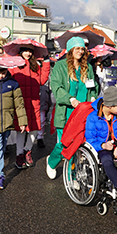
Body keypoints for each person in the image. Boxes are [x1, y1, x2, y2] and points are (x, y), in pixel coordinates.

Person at [46, 37, 99, 179]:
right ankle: (52, 161)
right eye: (77, 48)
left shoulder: (87, 67)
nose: (81, 51)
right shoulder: (60, 66)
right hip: (66, 111)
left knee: (78, 146)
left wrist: (93, 96)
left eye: (82, 49)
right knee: (65, 144)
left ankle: (73, 177)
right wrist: (71, 99)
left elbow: (93, 86)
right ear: (70, 50)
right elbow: (56, 87)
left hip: (83, 112)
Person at [8, 47, 50, 169]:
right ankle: (19, 154)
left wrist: (46, 63)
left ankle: (28, 151)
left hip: (34, 102)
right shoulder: (14, 65)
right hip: (20, 103)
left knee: (35, 128)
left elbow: (42, 80)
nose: (28, 53)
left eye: (30, 51)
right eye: (25, 51)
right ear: (20, 52)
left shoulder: (35, 65)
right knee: (20, 130)